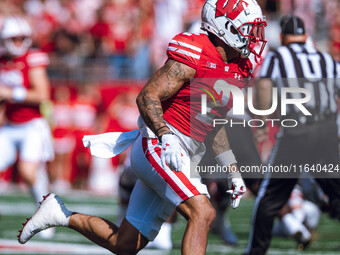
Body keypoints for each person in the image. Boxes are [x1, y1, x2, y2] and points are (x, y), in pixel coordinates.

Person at [18, 1, 267, 254]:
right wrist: (166, 136)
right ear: (224, 27)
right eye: (248, 29)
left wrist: (232, 168)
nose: (254, 37)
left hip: (186, 152)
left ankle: (60, 215)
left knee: (125, 244)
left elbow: (213, 123)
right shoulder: (197, 52)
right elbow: (147, 96)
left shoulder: (239, 67)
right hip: (161, 145)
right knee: (202, 212)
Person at [245, 15, 340, 255]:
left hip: (297, 133)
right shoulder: (326, 59)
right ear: (306, 37)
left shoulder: (278, 56)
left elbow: (264, 86)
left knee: (270, 198)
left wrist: (263, 123)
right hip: (327, 132)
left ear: (282, 38)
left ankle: (256, 252)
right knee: (336, 192)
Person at [0, 17, 54, 238]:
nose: (19, 42)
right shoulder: (3, 60)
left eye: (22, 37)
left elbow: (42, 94)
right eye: (15, 38)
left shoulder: (32, 58)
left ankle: (47, 213)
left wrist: (10, 94)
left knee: (27, 173)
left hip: (32, 125)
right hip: (10, 126)